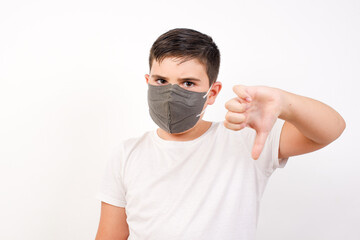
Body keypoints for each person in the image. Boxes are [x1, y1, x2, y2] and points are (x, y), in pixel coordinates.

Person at [94, 28, 346, 240]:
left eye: (188, 83)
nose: (172, 94)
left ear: (212, 93)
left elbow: (331, 129)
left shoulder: (243, 139)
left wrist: (284, 103)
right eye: (161, 81)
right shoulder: (127, 153)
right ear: (148, 81)